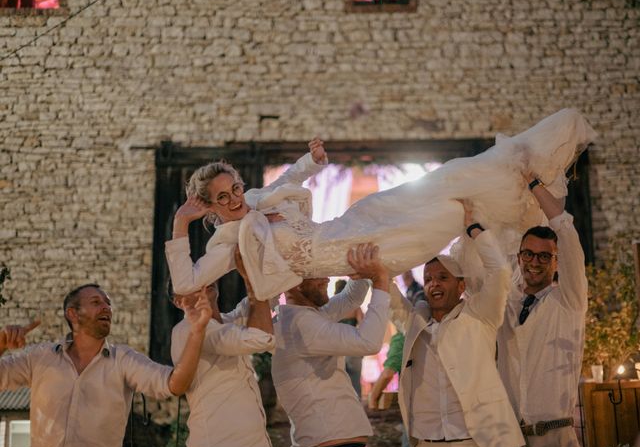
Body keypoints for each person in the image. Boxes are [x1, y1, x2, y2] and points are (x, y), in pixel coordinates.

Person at [165, 109, 594, 301]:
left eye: (235, 188)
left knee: (438, 181)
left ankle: (518, 167)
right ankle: (501, 244)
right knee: (451, 213)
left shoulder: (257, 199)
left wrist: (310, 161)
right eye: (223, 198)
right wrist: (181, 226)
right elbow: (186, 284)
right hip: (354, 253)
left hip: (351, 221)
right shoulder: (225, 242)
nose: (235, 199)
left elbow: (291, 179)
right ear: (209, 206)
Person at [0, 283, 210, 447]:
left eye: (108, 304)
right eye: (96, 302)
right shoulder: (40, 357)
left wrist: (197, 331)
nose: (106, 308)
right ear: (72, 314)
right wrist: (1, 344)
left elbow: (175, 384)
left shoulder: (124, 360)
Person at [389, 203, 525, 447]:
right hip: (427, 444)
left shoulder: (481, 315)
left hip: (476, 444)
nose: (433, 284)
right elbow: (388, 294)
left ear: (461, 286)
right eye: (428, 279)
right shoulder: (415, 322)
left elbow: (500, 272)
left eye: (443, 277)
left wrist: (473, 228)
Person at [496, 173, 589, 447]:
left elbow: (566, 232)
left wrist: (534, 185)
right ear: (519, 257)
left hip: (555, 439)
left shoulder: (569, 301)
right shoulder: (505, 302)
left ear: (557, 262)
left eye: (544, 256)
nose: (534, 262)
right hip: (509, 439)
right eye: (528, 254)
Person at [271, 243, 390, 447]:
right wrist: (380, 281)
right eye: (319, 274)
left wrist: (359, 268)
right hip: (332, 445)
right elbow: (368, 342)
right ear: (295, 283)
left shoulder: (306, 315)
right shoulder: (302, 325)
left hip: (333, 442)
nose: (327, 278)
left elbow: (352, 298)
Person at [170, 247, 275, 447]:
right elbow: (262, 338)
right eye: (192, 281)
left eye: (202, 274)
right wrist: (253, 282)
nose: (201, 281)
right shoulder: (187, 330)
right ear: (178, 301)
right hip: (220, 444)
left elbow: (269, 293)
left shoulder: (229, 320)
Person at [335, 278, 365, 397]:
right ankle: (357, 409)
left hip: (337, 349)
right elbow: (363, 325)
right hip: (352, 347)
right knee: (355, 382)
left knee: (339, 382)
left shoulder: (332, 307)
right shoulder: (355, 306)